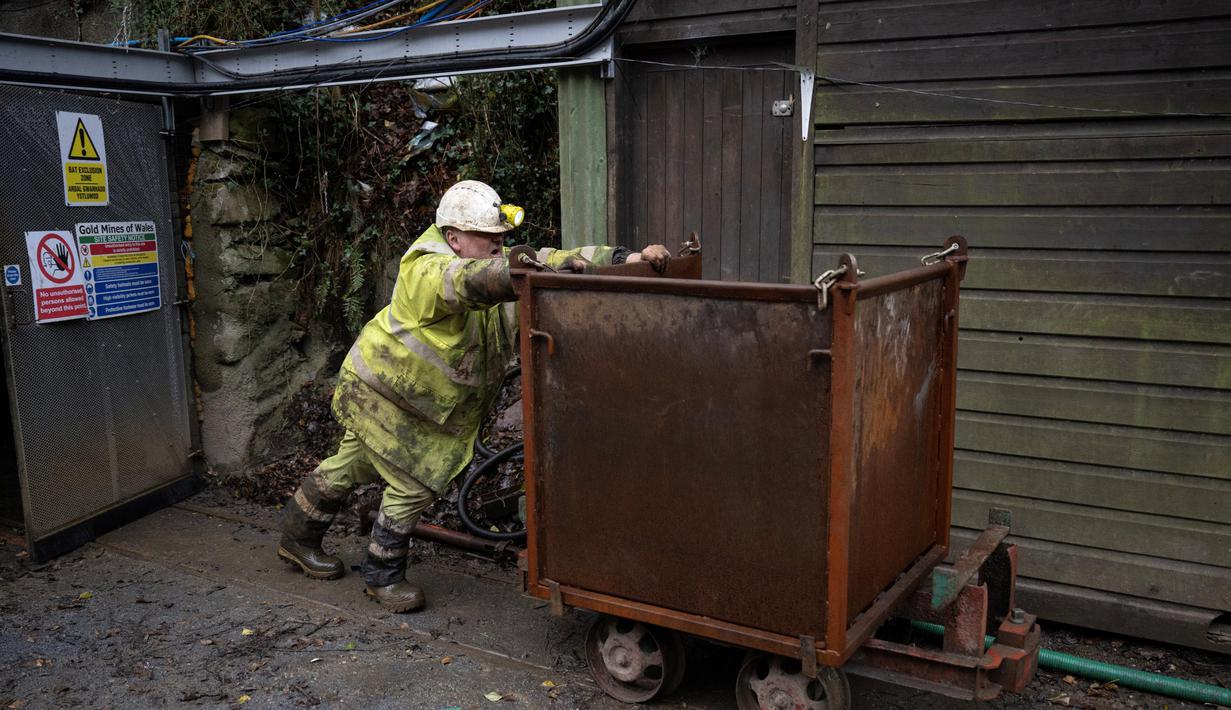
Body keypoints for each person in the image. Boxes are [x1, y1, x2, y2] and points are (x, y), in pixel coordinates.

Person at [276, 180, 671, 612]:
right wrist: (511, 274)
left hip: (402, 399)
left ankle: (296, 539)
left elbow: (550, 259)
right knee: (413, 485)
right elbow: (465, 282)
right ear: (454, 238)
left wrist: (624, 259)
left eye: (501, 238)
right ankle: (382, 576)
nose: (498, 246)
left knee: (351, 464)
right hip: (384, 396)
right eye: (487, 237)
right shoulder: (425, 269)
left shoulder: (491, 263)